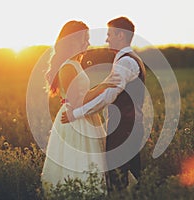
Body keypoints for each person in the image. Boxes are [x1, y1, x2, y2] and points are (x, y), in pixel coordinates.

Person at [61, 16, 146, 192]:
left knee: (117, 180)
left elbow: (108, 96)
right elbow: (105, 88)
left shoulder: (126, 62)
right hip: (129, 127)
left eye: (110, 34)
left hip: (124, 128)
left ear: (121, 36)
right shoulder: (128, 59)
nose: (106, 39)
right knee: (134, 177)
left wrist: (76, 114)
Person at [41, 20, 120, 193]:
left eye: (88, 38)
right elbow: (76, 101)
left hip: (84, 116)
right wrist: (103, 87)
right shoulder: (68, 67)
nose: (88, 43)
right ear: (71, 41)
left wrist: (102, 87)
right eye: (84, 39)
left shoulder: (75, 63)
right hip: (74, 119)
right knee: (78, 160)